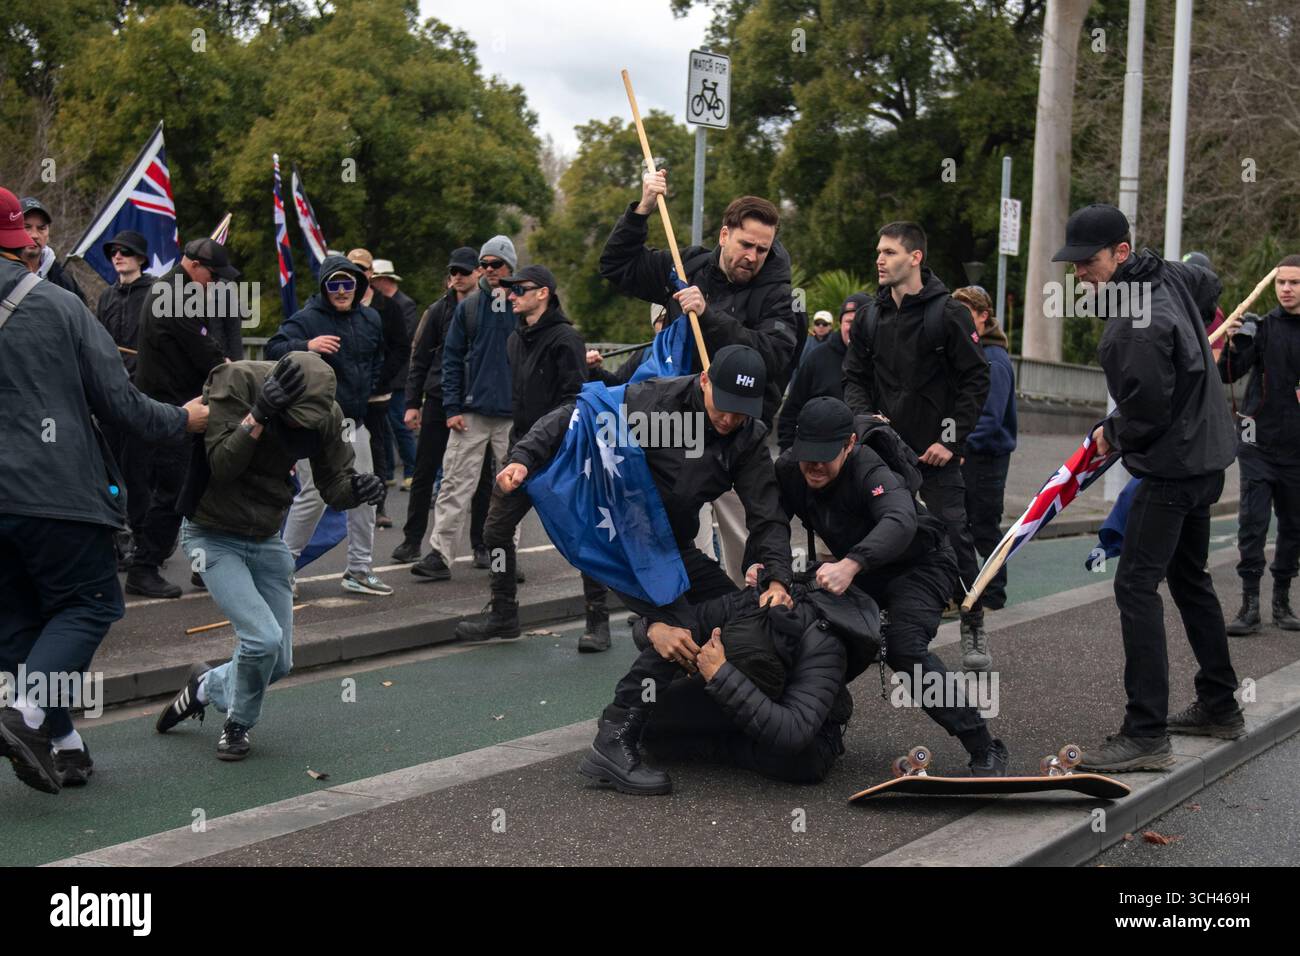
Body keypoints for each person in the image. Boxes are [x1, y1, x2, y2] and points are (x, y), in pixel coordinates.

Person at [502, 344, 795, 792]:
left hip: (671, 543)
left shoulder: (747, 436)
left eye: (742, 412)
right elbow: (576, 413)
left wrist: (776, 576)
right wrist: (523, 457)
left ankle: (682, 714)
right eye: (725, 407)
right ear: (703, 381)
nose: (730, 420)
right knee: (680, 627)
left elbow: (766, 512)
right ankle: (613, 739)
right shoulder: (657, 403)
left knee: (733, 609)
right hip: (621, 536)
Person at [0, 185, 208, 793]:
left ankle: (63, 743)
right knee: (88, 606)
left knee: (19, 627)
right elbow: (122, 404)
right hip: (57, 492)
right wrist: (184, 419)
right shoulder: (61, 306)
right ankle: (31, 715)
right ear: (23, 245)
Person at [1051, 203, 1243, 771]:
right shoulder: (1172, 275)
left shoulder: (1134, 329)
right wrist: (1195, 338)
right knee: (1188, 577)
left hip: (1172, 468)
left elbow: (1145, 413)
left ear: (1122, 254)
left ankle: (1146, 732)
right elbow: (1208, 280)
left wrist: (1111, 434)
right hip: (1206, 457)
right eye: (1074, 264)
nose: (1080, 274)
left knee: (1136, 587)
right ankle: (1219, 704)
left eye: (1088, 263)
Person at [155, 353, 384, 759]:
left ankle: (206, 687)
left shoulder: (328, 415)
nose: (299, 426)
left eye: (307, 421)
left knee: (278, 662)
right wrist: (258, 416)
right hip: (212, 532)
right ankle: (238, 725)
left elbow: (334, 487)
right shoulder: (236, 382)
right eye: (294, 417)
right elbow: (222, 465)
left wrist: (359, 490)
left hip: (265, 535)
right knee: (261, 640)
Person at [773, 397, 1009, 776]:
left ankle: (984, 745)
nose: (814, 465)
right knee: (813, 633)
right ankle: (823, 733)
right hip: (862, 567)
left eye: (825, 454)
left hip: (920, 564)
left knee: (903, 648)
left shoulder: (870, 468)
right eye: (807, 454)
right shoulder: (790, 470)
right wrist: (765, 566)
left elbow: (899, 521)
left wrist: (850, 564)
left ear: (849, 445)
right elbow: (769, 522)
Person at [600, 175, 800, 585]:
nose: (753, 256)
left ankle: (753, 617)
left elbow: (773, 357)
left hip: (734, 429)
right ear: (724, 235)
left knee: (746, 541)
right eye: (746, 244)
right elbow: (618, 267)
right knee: (675, 533)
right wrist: (641, 210)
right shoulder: (688, 263)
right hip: (677, 424)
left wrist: (709, 316)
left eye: (763, 249)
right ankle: (688, 617)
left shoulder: (777, 294)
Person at [842, 221, 990, 651]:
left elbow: (976, 380)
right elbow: (854, 376)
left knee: (955, 538)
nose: (879, 260)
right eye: (879, 252)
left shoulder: (949, 314)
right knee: (883, 537)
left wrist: (952, 440)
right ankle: (878, 627)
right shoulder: (870, 315)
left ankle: (973, 620)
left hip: (934, 457)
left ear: (915, 257)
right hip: (883, 455)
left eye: (889, 252)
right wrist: (864, 420)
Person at [452, 265, 610, 651]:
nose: (512, 294)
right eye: (510, 289)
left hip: (562, 454)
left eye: (520, 288)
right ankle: (504, 614)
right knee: (495, 531)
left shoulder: (565, 338)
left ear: (544, 294)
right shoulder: (514, 339)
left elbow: (575, 402)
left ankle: (598, 620)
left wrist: (542, 444)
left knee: (583, 536)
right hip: (521, 448)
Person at [585, 585, 860, 793]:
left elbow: (793, 733)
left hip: (798, 725)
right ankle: (726, 728)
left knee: (805, 761)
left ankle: (721, 742)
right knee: (650, 727)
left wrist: (721, 674)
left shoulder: (823, 643)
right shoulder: (741, 606)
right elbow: (659, 627)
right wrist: (655, 628)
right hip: (734, 699)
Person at [267, 254, 392, 596]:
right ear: (324, 288)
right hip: (315, 423)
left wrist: (370, 390)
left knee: (365, 492)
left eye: (347, 283)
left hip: (355, 421)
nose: (340, 291)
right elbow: (272, 349)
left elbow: (378, 357)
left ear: (358, 286)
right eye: (334, 284)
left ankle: (359, 570)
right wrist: (306, 345)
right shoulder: (308, 319)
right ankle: (283, 570)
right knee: (312, 496)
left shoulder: (370, 319)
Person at [130, 237, 239, 598]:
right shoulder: (174, 295)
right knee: (173, 491)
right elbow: (203, 349)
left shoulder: (176, 290)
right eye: (214, 274)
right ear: (194, 265)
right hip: (174, 408)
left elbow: (203, 344)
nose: (218, 282)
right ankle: (144, 567)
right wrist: (232, 371)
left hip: (180, 405)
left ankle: (200, 566)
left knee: (198, 487)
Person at [411, 237, 519, 582]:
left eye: (496, 265)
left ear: (510, 267)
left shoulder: (524, 305)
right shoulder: (469, 308)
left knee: (510, 490)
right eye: (484, 265)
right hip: (471, 413)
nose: (489, 270)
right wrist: (452, 406)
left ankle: (505, 560)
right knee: (455, 484)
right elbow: (451, 361)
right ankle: (440, 555)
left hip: (513, 415)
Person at [1218, 254, 1300, 634]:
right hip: (1257, 443)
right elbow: (1229, 375)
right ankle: (1249, 604)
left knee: (1294, 526)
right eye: (1281, 282)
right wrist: (1233, 344)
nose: (1286, 289)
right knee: (1252, 523)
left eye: (1294, 283)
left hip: (1297, 450)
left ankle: (1282, 600)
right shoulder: (1262, 326)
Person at [393, 248, 480, 563]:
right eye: (453, 271)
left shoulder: (492, 309)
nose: (458, 276)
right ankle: (411, 540)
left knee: (480, 476)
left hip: (475, 402)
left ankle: (481, 545)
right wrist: (412, 403)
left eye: (464, 271)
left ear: (478, 274)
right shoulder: (437, 310)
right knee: (424, 471)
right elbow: (420, 359)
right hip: (439, 399)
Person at [952, 285, 1017, 669]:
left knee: (984, 527)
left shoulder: (993, 359)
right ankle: (974, 591)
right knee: (965, 525)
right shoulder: (972, 354)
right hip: (974, 453)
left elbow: (989, 419)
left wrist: (958, 445)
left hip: (986, 457)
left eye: (966, 313)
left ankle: (993, 592)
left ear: (983, 316)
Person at [93, 229, 156, 564]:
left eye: (126, 252)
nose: (118, 256)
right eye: (115, 252)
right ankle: (116, 536)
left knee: (137, 474)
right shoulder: (107, 297)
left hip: (141, 396)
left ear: (141, 259)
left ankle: (143, 545)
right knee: (109, 474)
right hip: (109, 396)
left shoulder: (158, 293)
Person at [346, 247, 405, 530]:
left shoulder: (387, 307)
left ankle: (378, 505)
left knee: (377, 446)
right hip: (346, 392)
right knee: (341, 444)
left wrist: (380, 379)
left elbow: (400, 348)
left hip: (377, 393)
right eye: (352, 269)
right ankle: (340, 502)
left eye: (363, 269)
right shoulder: (338, 301)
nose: (358, 275)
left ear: (371, 274)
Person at [778, 293, 866, 452]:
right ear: (840, 324)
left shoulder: (884, 360)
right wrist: (789, 457)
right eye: (849, 322)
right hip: (819, 455)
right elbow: (791, 412)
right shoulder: (817, 357)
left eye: (861, 321)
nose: (854, 328)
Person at [370, 258, 420, 489]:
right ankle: (387, 472)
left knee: (401, 424)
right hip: (383, 374)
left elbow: (403, 340)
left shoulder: (404, 305)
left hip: (399, 376)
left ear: (384, 279)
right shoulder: (377, 304)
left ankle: (411, 470)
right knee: (383, 427)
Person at [20, 196, 86, 304]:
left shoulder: (64, 281)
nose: (34, 235)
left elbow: (81, 319)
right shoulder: (4, 273)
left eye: (41, 228)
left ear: (48, 234)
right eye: (27, 227)